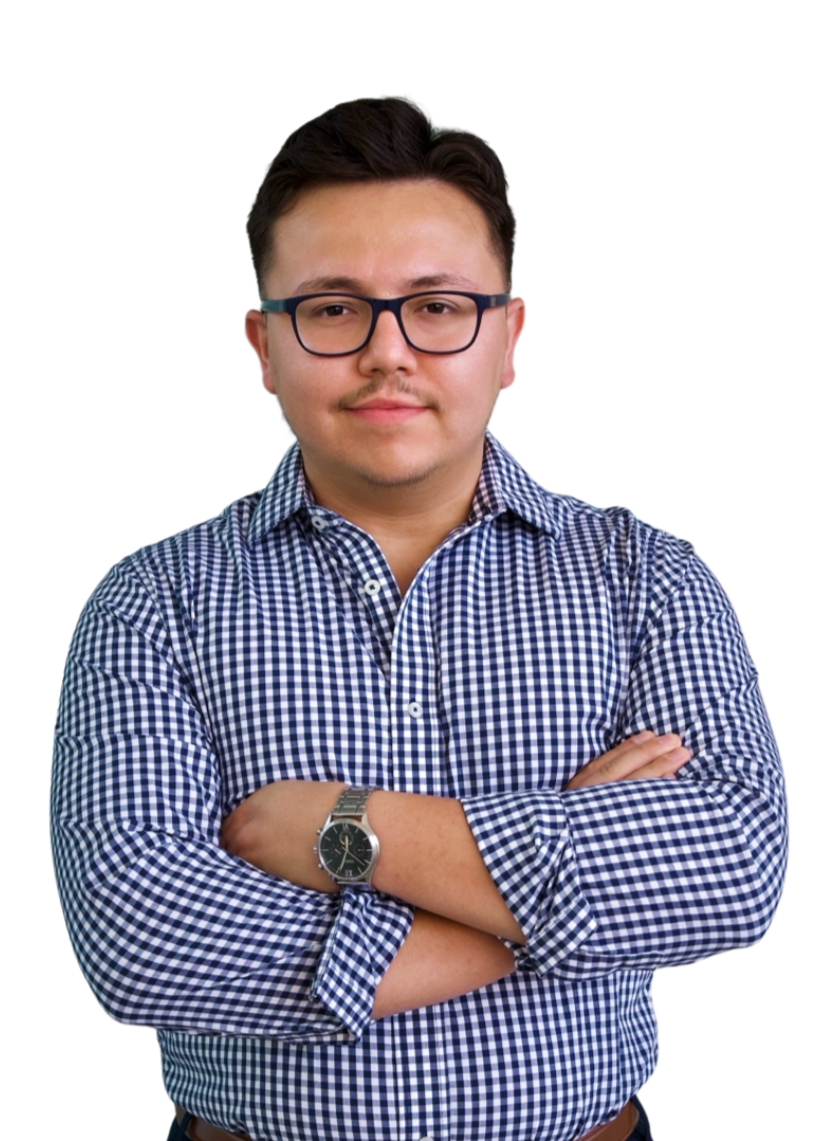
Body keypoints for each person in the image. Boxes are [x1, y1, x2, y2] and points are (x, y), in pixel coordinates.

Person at [49, 96, 790, 1141]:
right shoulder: (150, 599)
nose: (388, 352)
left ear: (511, 336)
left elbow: (732, 868)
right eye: (332, 309)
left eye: (438, 306)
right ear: (262, 342)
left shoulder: (649, 577)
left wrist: (343, 829)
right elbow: (140, 942)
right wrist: (549, 867)